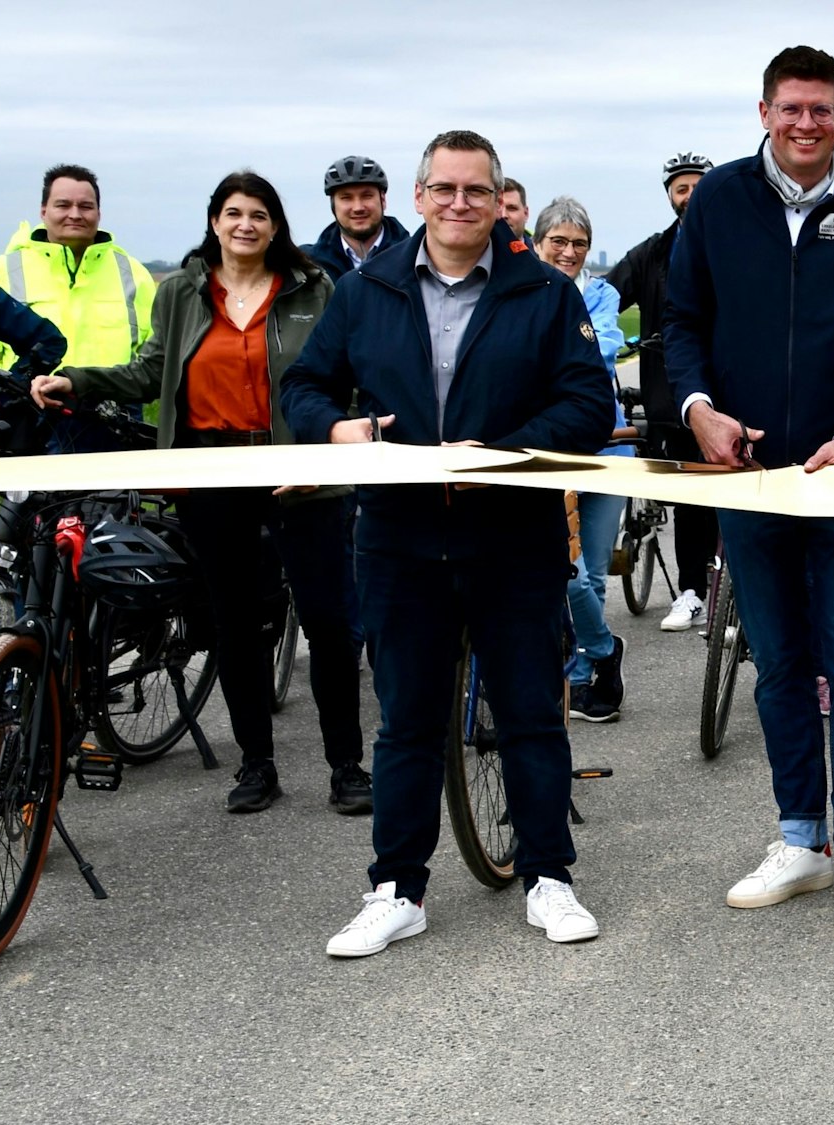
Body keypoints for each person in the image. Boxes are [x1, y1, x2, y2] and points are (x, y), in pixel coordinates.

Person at [279, 130, 614, 956]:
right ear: (419, 198)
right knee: (406, 721)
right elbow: (304, 384)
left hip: (513, 535)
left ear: (499, 202)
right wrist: (338, 425)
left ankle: (549, 876)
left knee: (532, 714)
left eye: (476, 190)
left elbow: (587, 406)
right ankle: (397, 887)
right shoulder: (365, 292)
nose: (459, 203)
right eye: (445, 189)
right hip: (398, 538)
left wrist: (499, 450)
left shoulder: (543, 290)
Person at [665, 45, 834, 935]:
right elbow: (682, 322)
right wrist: (700, 409)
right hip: (748, 474)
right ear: (764, 112)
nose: (806, 124)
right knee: (778, 665)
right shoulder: (718, 204)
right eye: (791, 109)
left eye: (822, 110)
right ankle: (800, 838)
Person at [29, 171, 371, 816]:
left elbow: (340, 382)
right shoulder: (183, 290)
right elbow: (152, 371)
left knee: (327, 621)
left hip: (301, 471)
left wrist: (324, 454)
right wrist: (78, 381)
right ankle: (255, 764)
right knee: (235, 625)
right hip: (212, 473)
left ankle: (346, 765)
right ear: (215, 221)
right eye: (234, 213)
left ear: (276, 226)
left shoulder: (314, 289)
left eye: (260, 215)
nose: (247, 225)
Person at [608, 151, 720, 633]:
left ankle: (713, 586)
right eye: (681, 187)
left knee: (718, 495)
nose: (689, 194)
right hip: (666, 391)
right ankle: (693, 588)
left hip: (721, 390)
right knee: (689, 495)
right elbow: (608, 297)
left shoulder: (734, 248)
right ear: (671, 196)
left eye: (699, 185)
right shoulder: (654, 252)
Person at [533, 195, 632, 723]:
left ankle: (576, 680)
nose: (569, 252)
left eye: (579, 244)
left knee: (591, 575)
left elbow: (601, 354)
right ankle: (602, 650)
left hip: (608, 445)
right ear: (537, 242)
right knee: (564, 574)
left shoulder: (601, 294)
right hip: (552, 450)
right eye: (559, 242)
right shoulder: (521, 288)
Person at [0, 165, 158, 451]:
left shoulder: (134, 274)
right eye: (63, 205)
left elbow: (154, 357)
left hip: (110, 422)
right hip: (26, 420)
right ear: (43, 211)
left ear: (99, 214)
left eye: (86, 206)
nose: (75, 214)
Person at [304, 156, 411, 280]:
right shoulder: (309, 265)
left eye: (367, 196)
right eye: (346, 198)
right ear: (333, 205)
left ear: (383, 200)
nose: (358, 207)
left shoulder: (414, 258)